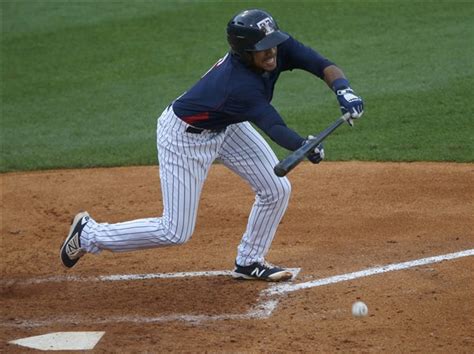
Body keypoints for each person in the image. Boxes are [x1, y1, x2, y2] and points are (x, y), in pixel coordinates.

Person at [60, 9, 364, 282]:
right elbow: (274, 126)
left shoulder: (275, 45)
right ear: (244, 51)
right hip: (184, 138)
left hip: (226, 125)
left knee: (276, 189)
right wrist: (302, 145)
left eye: (272, 43)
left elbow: (321, 64)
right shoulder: (239, 85)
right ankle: (89, 234)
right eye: (261, 49)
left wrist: (343, 90)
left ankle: (249, 262)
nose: (271, 52)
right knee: (174, 231)